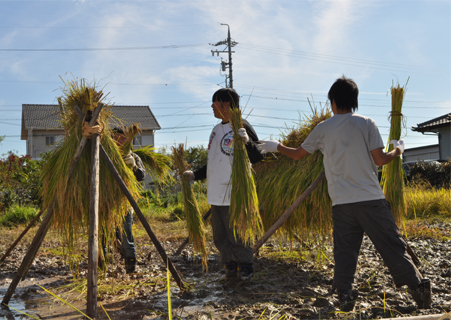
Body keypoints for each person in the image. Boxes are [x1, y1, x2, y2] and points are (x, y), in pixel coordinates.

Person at [257, 76, 432, 311]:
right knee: (391, 246)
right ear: (354, 101)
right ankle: (418, 289)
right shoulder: (366, 123)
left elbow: (298, 154)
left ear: (333, 101)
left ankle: (345, 295)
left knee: (344, 251)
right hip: (370, 200)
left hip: (341, 203)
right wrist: (398, 149)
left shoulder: (323, 128)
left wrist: (275, 146)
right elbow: (380, 160)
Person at [183, 88, 264, 283]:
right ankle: (230, 266)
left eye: (214, 102)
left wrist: (246, 142)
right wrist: (195, 174)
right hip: (216, 193)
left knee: (237, 234)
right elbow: (213, 161)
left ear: (225, 104)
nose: (212, 106)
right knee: (220, 236)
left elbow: (258, 157)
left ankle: (246, 266)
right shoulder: (216, 130)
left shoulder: (241, 126)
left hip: (235, 192)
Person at [110, 128, 147, 273]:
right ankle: (102, 267)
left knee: (127, 235)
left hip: (125, 202)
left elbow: (141, 176)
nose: (119, 142)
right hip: (106, 203)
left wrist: (133, 167)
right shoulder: (107, 155)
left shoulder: (134, 157)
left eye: (122, 139)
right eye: (116, 139)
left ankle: (130, 269)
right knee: (104, 236)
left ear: (128, 140)